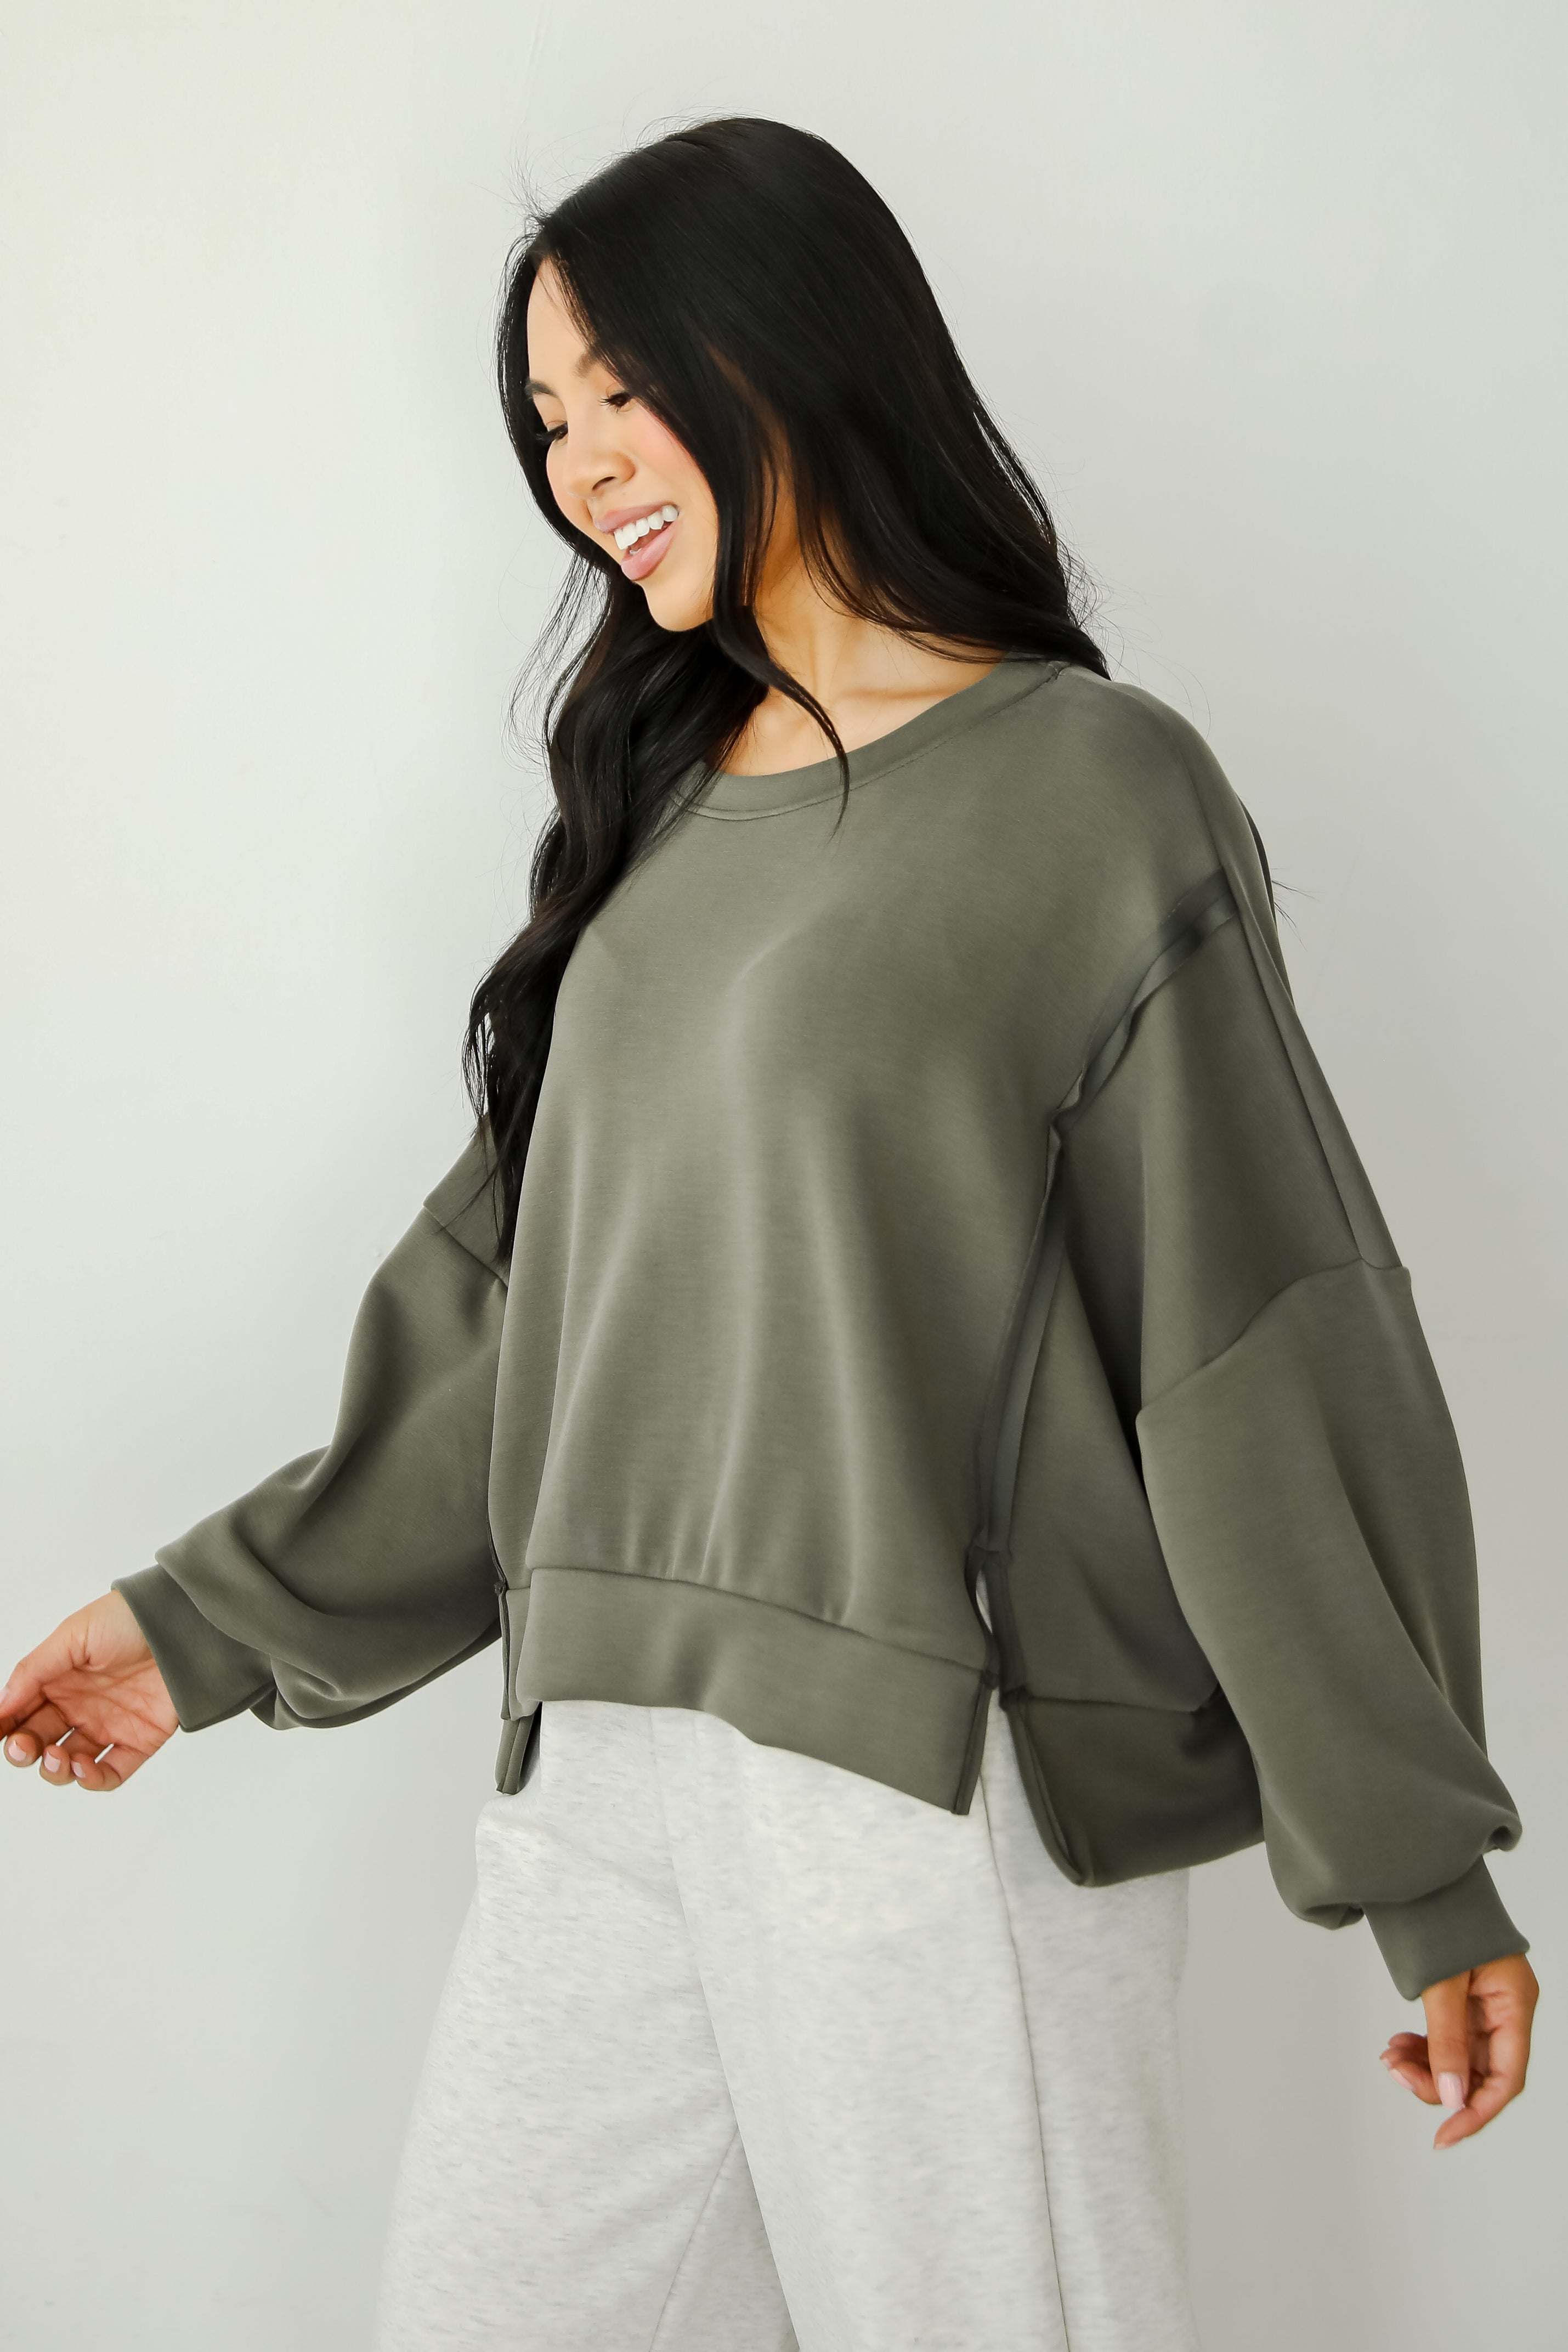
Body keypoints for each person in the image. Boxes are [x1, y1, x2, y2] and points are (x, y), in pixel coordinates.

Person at [1, 116, 1537, 2352]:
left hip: (924, 1786)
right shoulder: (659, 806)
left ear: (793, 348)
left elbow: (1256, 1334)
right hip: (603, 1759)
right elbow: (528, 1311)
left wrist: (1416, 1861)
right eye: (549, 418)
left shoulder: (1092, 790)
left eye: (622, 388)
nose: (581, 464)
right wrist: (206, 1622)